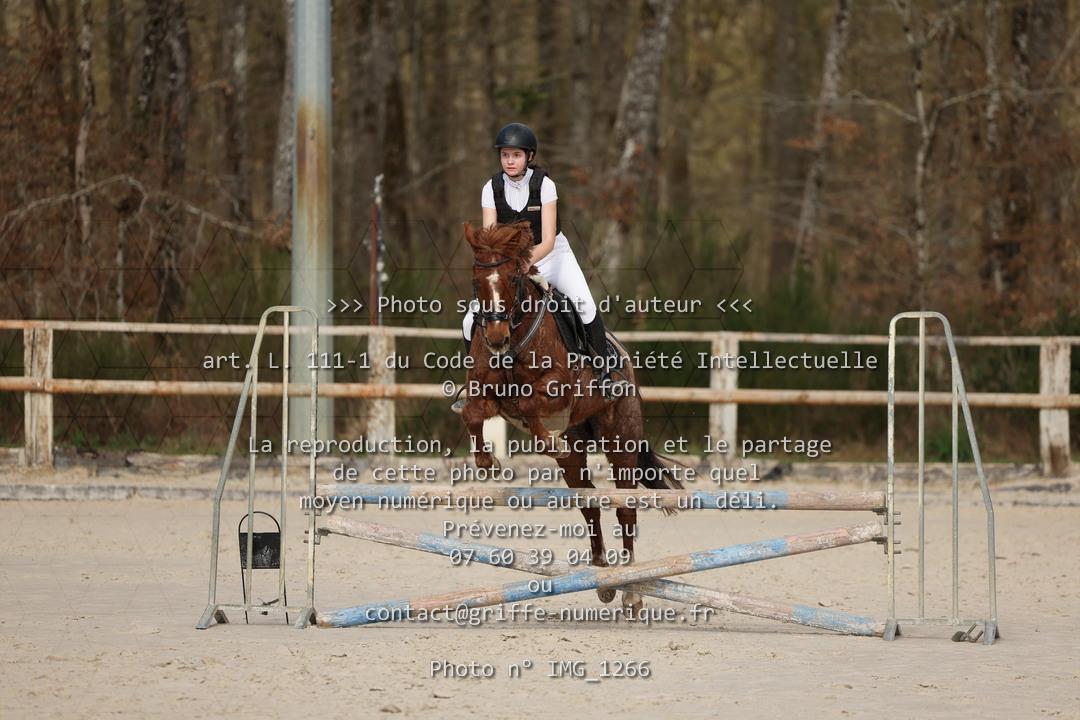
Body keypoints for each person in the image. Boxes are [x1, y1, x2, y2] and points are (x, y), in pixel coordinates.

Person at [453, 122, 629, 413]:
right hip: (511, 264)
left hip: (552, 255)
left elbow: (547, 240)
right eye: (505, 155)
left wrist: (523, 263)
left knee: (584, 305)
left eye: (516, 155)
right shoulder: (490, 189)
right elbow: (491, 241)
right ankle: (475, 386)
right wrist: (506, 267)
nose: (510, 161)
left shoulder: (545, 185)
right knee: (468, 320)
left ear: (529, 156)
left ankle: (604, 373)